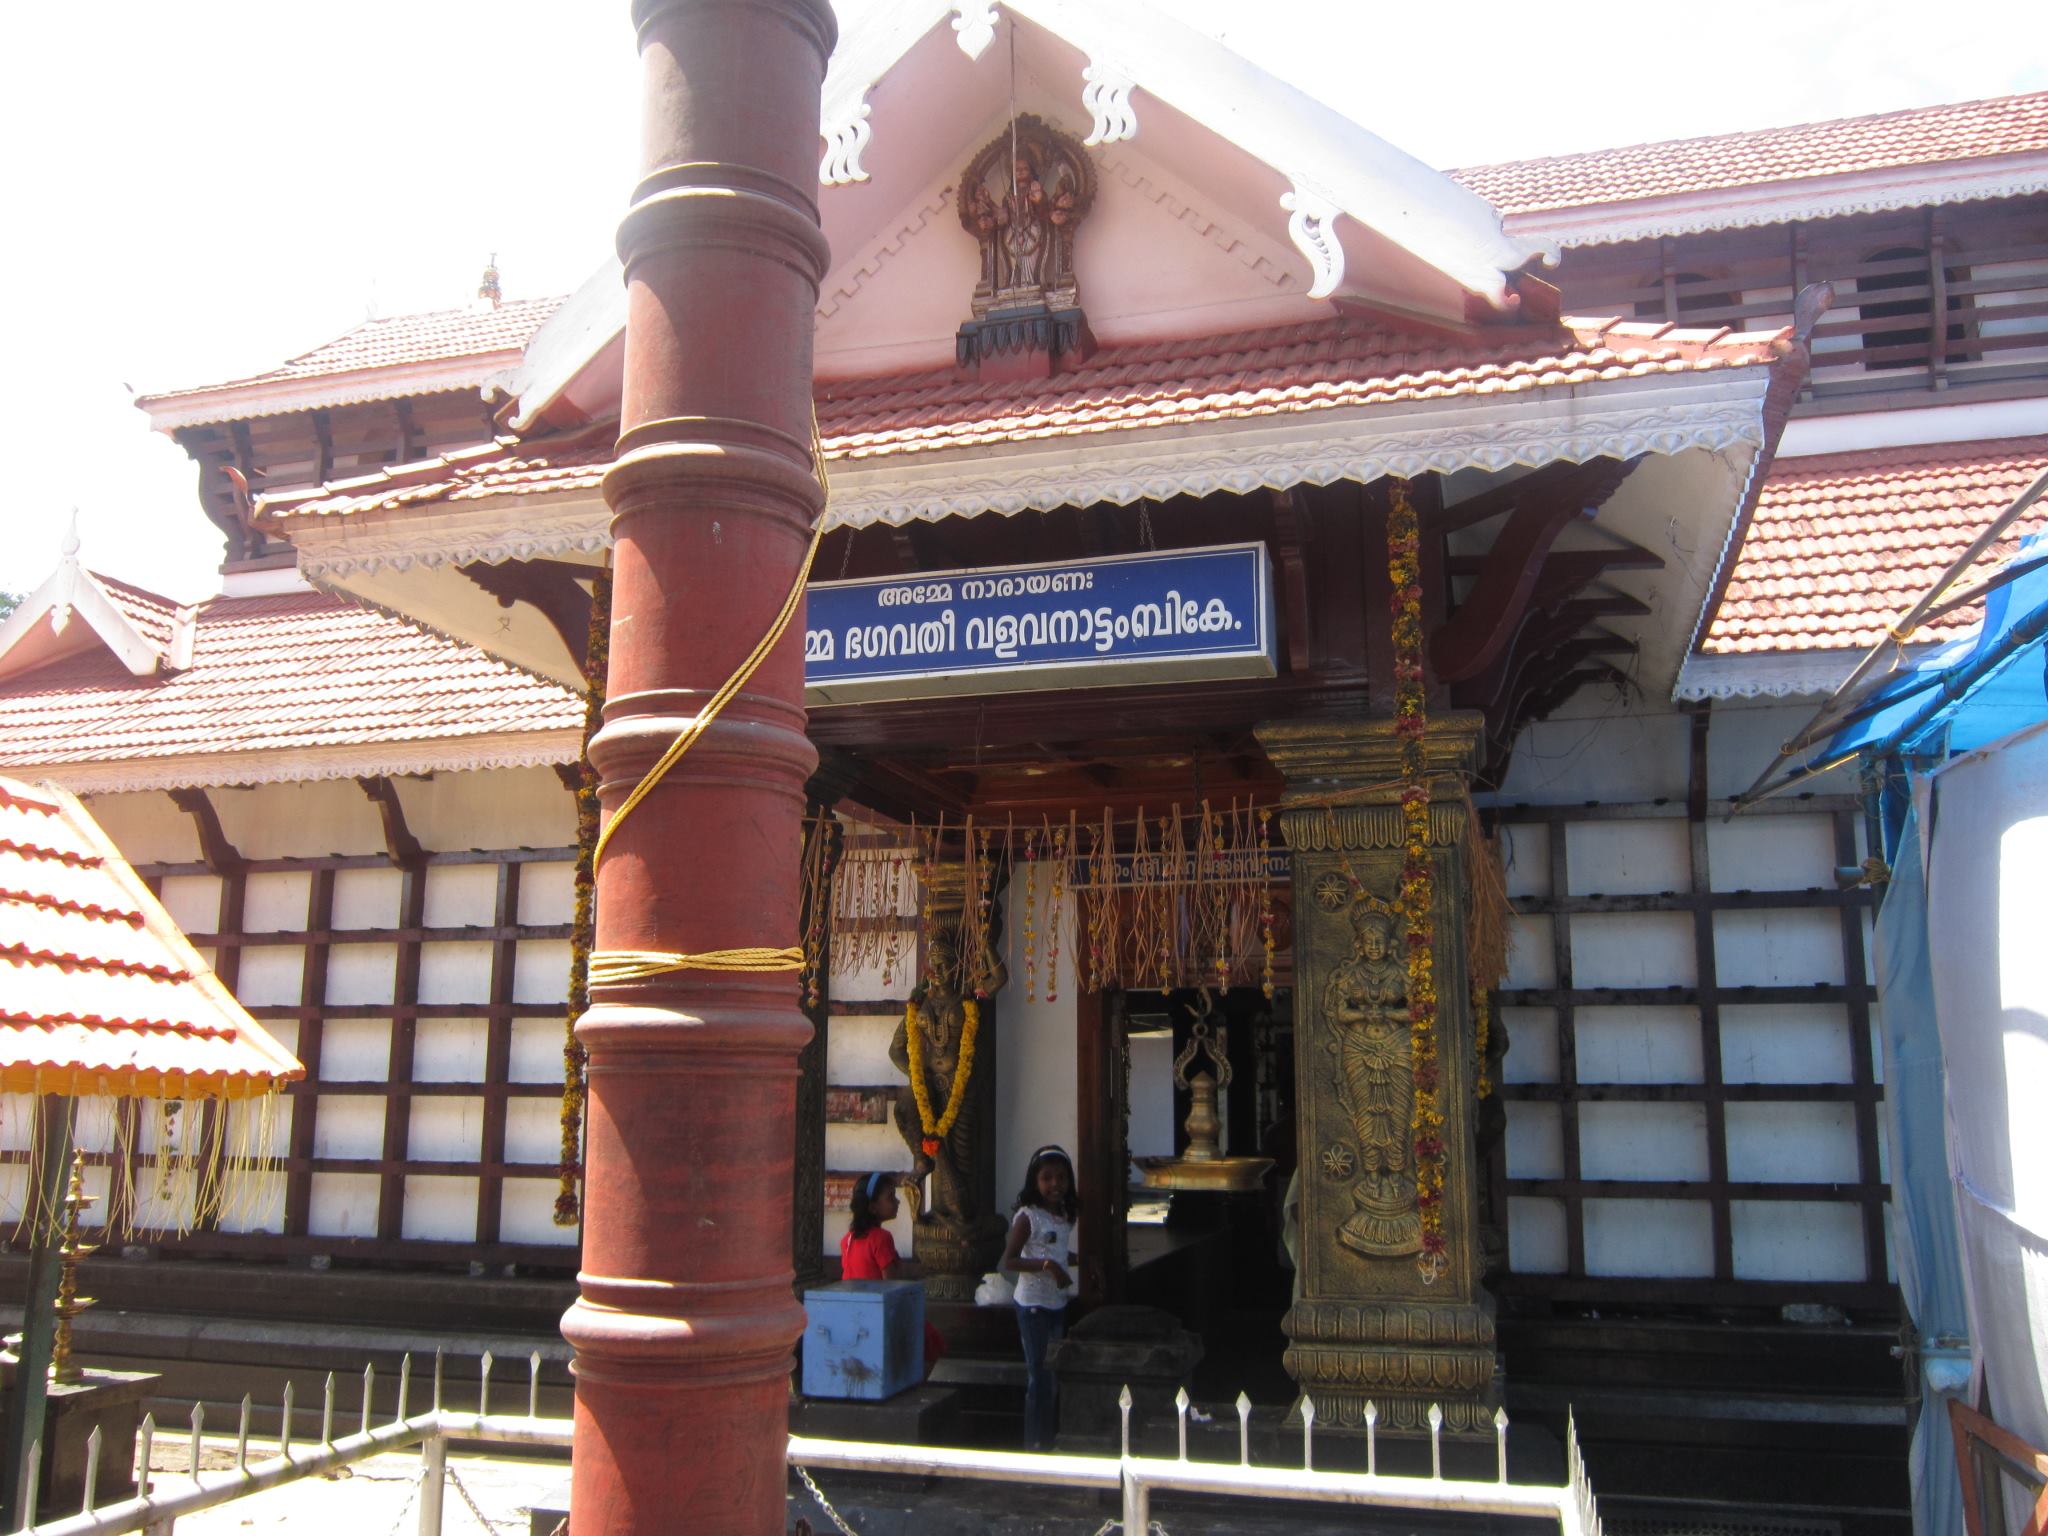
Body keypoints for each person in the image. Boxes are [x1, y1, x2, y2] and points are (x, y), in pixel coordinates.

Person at [1001, 1145, 1079, 1451]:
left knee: (1053, 1375)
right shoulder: (1028, 1217)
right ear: (1035, 1181)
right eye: (1047, 1178)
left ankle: (1049, 1437)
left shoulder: (1064, 1215)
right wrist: (1048, 1267)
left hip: (1057, 1303)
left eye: (1061, 1178)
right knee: (1039, 1377)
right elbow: (1010, 1261)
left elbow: (1056, 1250)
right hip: (1033, 1306)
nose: (1055, 1184)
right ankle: (1035, 1442)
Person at [840, 1172, 945, 1370]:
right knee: (928, 1335)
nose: (897, 1202)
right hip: (879, 1312)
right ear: (872, 1207)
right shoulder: (881, 1238)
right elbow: (891, 1283)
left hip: (854, 1312)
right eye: (890, 1198)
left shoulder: (848, 1239)